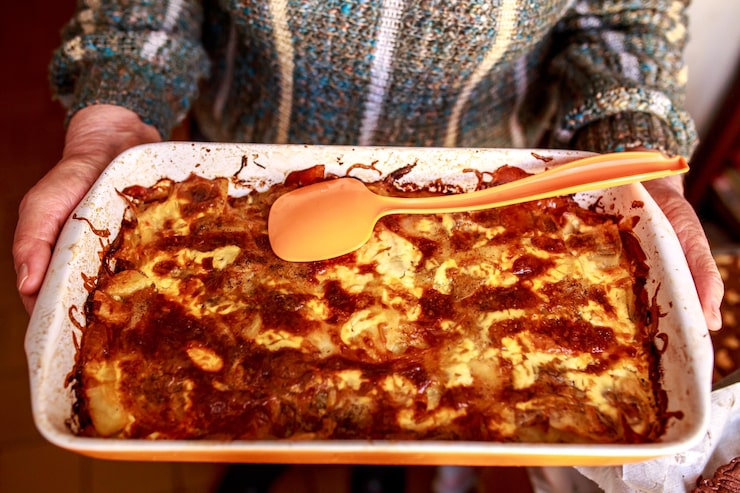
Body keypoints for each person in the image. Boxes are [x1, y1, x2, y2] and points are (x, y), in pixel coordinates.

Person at [12, 0, 725, 489]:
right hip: (246, 164)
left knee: (433, 414)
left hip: (505, 180)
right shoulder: (168, 221)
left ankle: (398, 461)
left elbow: (625, 18)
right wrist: (112, 117)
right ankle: (269, 453)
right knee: (274, 393)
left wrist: (633, 144)